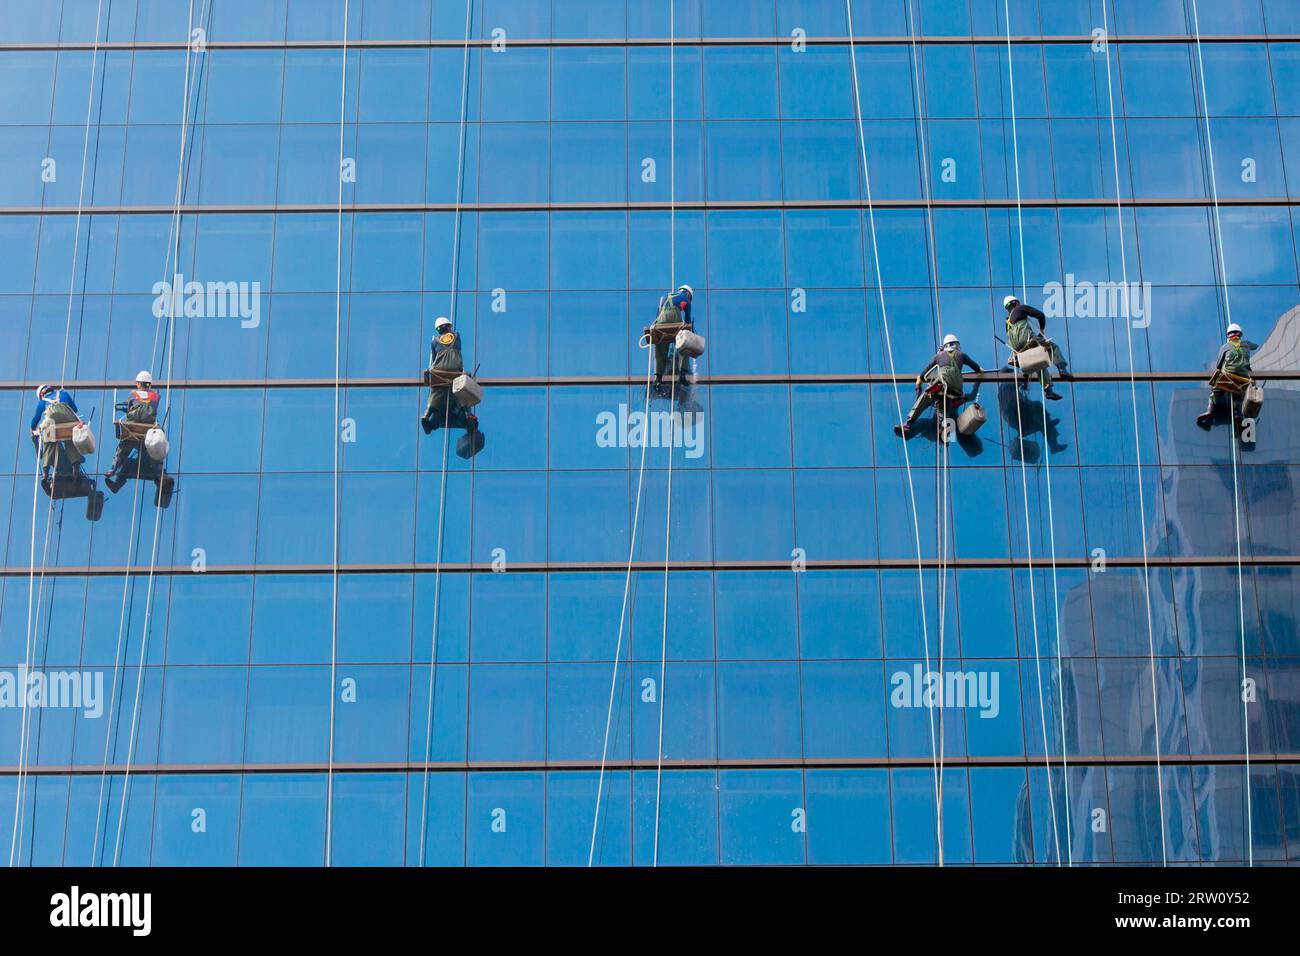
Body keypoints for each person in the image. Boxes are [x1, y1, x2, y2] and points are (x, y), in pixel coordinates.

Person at [894, 334, 983, 437]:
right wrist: (979, 371)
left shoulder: (939, 356)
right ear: (957, 345)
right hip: (956, 391)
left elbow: (925, 372)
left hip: (942, 385)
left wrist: (919, 381)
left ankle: (908, 424)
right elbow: (975, 366)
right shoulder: (962, 355)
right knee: (942, 405)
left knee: (925, 398)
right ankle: (943, 429)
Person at [1003, 295, 1071, 400]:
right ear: (1016, 303)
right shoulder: (1020, 308)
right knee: (1053, 347)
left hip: (1018, 349)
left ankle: (1048, 391)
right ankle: (1062, 369)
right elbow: (1040, 315)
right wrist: (1042, 329)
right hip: (1027, 340)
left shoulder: (1007, 322)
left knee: (1038, 362)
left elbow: (1010, 338)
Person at [420, 316, 479, 435]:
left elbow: (434, 358)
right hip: (455, 369)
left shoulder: (434, 341)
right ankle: (468, 415)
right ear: (448, 326)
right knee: (462, 392)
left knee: (436, 391)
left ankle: (428, 415)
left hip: (439, 370)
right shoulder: (456, 336)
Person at [105, 370, 161, 492]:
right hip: (147, 428)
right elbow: (152, 406)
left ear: (139, 383)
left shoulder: (133, 394)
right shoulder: (156, 396)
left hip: (133, 427)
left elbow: (131, 407)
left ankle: (113, 470)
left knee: (123, 448)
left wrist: (123, 408)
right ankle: (158, 475)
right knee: (153, 455)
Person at [1196, 323, 1259, 431]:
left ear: (1228, 336)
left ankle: (1211, 410)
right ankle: (1238, 417)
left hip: (1227, 377)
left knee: (1215, 392)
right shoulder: (1247, 344)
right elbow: (1256, 346)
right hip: (1243, 379)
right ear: (1240, 334)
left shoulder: (1225, 347)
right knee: (1238, 397)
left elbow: (1219, 364)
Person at [29, 383, 83, 480]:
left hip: (52, 425)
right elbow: (75, 409)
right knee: (71, 441)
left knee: (49, 443)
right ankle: (76, 468)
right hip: (69, 423)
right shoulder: (64, 394)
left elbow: (36, 419)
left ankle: (45, 472)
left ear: (42, 394)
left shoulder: (42, 403)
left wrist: (32, 429)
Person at [651, 284, 694, 391]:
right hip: (674, 319)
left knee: (660, 346)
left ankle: (658, 378)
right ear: (688, 293)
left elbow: (658, 314)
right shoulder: (685, 299)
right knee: (684, 343)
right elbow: (688, 321)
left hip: (661, 322)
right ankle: (683, 374)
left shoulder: (665, 296)